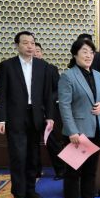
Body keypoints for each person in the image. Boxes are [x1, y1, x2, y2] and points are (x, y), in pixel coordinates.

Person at [0, 31, 54, 198]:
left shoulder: (43, 66)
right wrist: (1, 119)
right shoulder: (7, 66)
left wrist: (50, 116)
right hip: (15, 118)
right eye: (26, 43)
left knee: (33, 157)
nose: (30, 46)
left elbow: (48, 95)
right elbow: (1, 95)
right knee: (18, 157)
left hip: (36, 117)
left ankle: (30, 190)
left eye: (32, 43)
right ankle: (19, 195)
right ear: (17, 46)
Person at [58, 38, 100, 198]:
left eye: (91, 52)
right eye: (84, 52)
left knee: (90, 173)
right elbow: (64, 106)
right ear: (75, 54)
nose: (88, 55)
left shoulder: (98, 75)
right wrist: (72, 131)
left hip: (96, 130)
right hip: (77, 134)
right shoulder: (68, 76)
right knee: (73, 175)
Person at [33, 43, 66, 180]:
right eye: (33, 51)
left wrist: (46, 101)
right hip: (30, 112)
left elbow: (58, 90)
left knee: (52, 142)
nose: (35, 53)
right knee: (32, 143)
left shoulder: (50, 68)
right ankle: (35, 171)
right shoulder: (24, 70)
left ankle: (61, 170)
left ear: (42, 53)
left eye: (38, 51)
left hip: (48, 112)